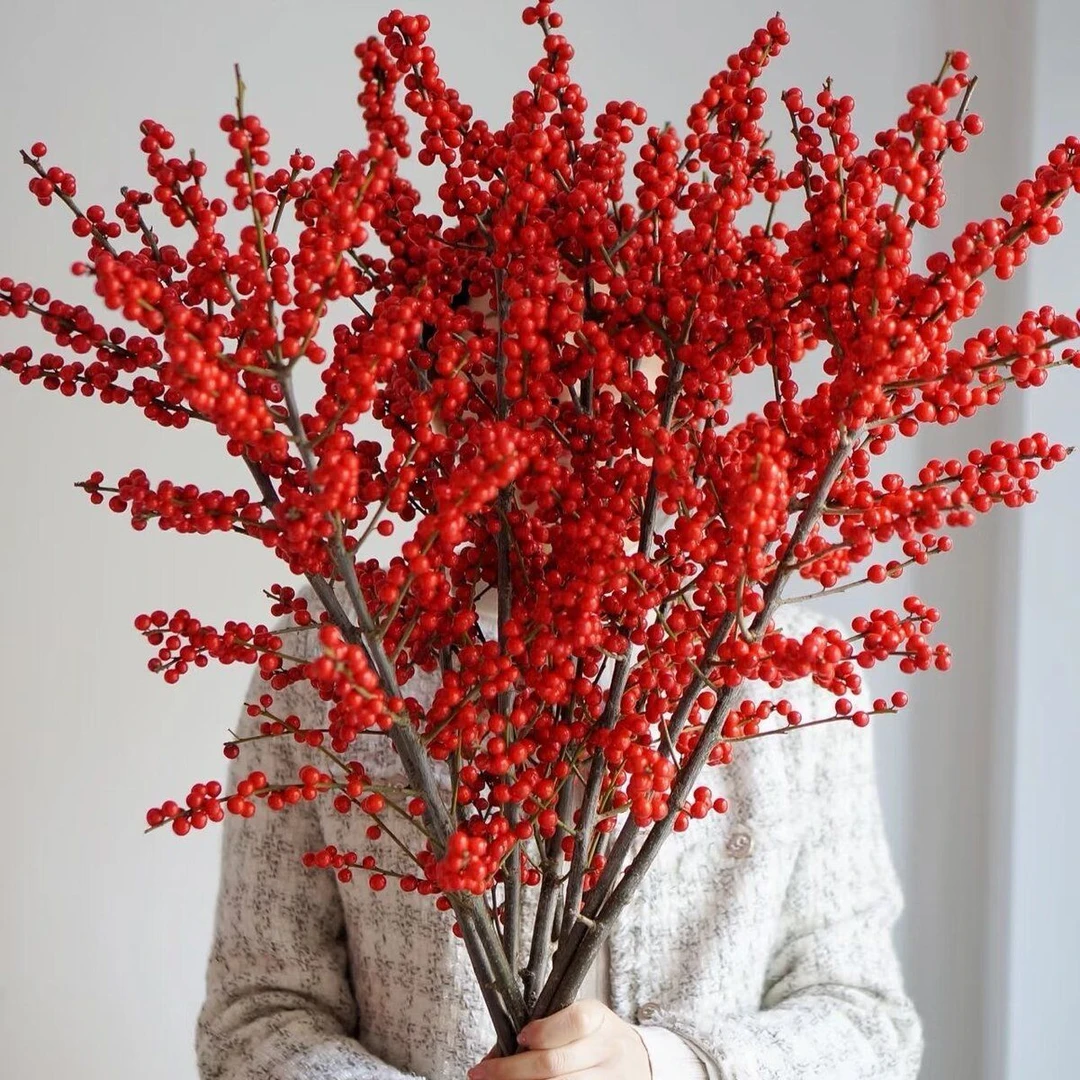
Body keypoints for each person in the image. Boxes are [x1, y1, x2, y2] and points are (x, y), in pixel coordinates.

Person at [195, 575, 923, 1080]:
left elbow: (868, 1022)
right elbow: (255, 1019)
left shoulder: (791, 675)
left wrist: (665, 1064)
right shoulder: (330, 662)